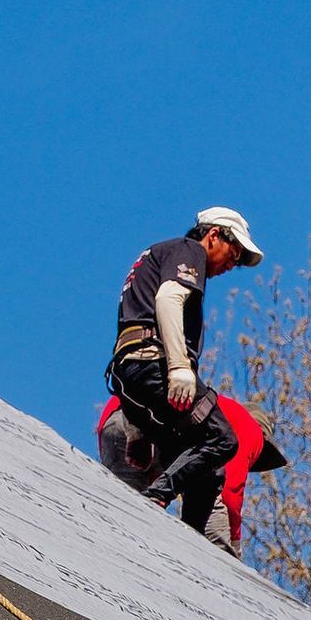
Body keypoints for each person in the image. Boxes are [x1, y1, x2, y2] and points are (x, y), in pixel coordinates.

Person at [107, 208, 263, 532]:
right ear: (214, 235)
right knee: (223, 439)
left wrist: (138, 432)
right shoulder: (189, 250)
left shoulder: (160, 254)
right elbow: (168, 299)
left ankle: (185, 545)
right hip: (154, 363)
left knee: (208, 472)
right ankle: (154, 500)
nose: (231, 266)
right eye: (233, 254)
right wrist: (179, 367)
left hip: (130, 371)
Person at [96, 389, 286, 555]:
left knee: (123, 518)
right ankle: (221, 577)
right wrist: (235, 544)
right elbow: (230, 490)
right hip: (145, 426)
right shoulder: (250, 430)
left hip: (117, 417)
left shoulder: (212, 409)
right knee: (216, 514)